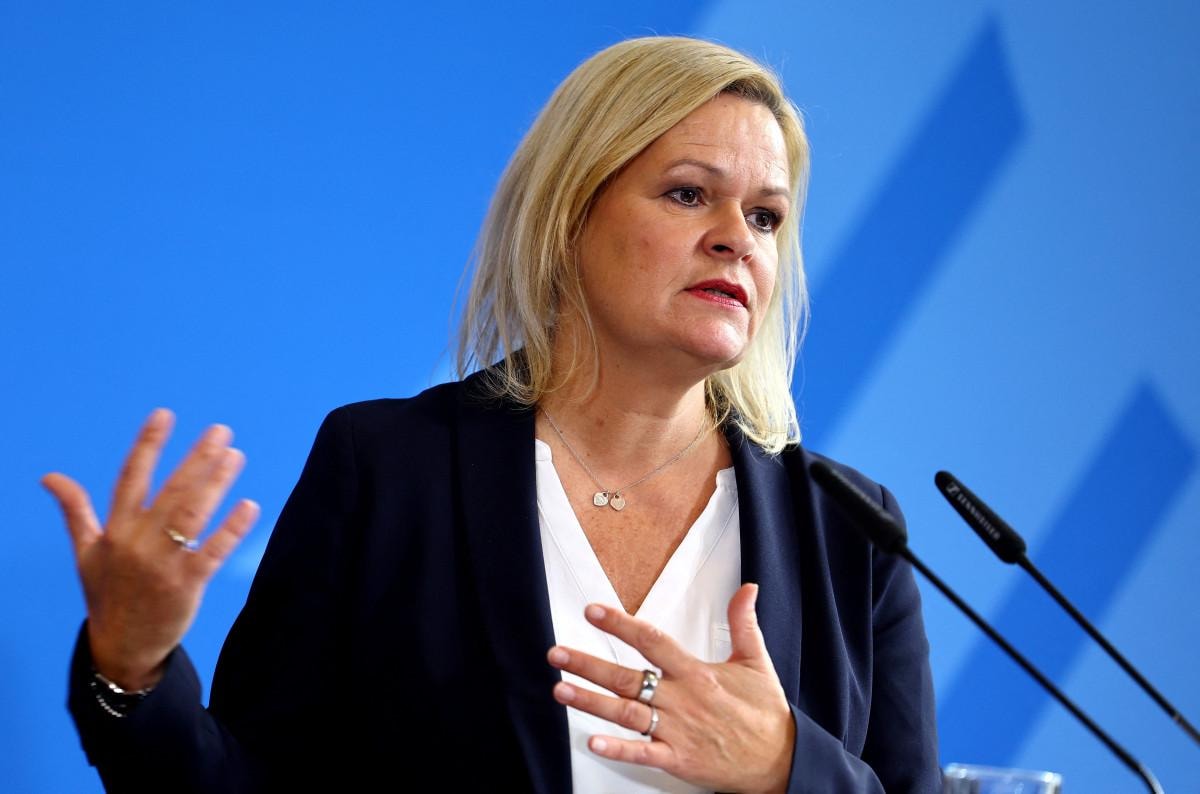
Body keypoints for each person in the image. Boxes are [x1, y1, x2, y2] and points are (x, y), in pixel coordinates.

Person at [45, 36, 940, 793]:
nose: (736, 238)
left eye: (767, 217)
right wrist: (133, 670)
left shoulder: (849, 533)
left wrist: (788, 763)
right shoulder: (390, 470)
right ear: (567, 215)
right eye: (687, 193)